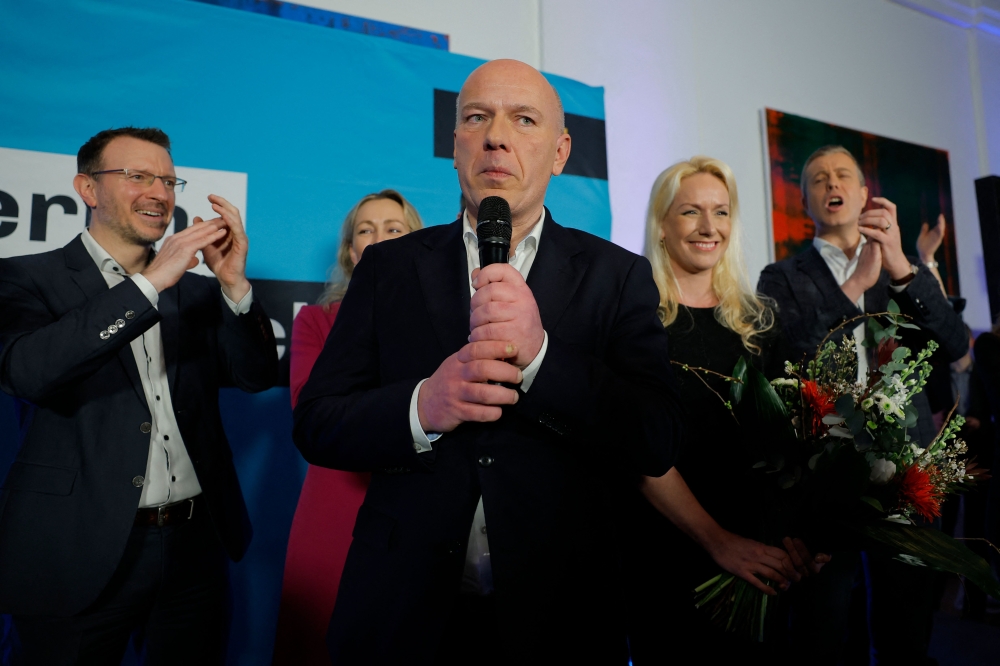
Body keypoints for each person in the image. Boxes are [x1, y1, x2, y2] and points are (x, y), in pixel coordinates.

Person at [293, 59, 683, 665]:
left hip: (561, 620)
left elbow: (653, 439)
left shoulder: (618, 275)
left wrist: (541, 357)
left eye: (523, 119)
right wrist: (423, 406)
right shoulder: (388, 268)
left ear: (560, 152)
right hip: (402, 613)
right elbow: (317, 423)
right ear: (455, 146)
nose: (496, 136)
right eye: (477, 118)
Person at [0, 127, 279, 663]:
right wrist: (149, 284)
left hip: (193, 548)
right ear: (88, 188)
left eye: (168, 181)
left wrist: (234, 286)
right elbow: (30, 373)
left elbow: (255, 376)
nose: (159, 192)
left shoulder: (199, 291)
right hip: (74, 550)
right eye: (137, 176)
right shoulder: (25, 277)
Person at [758, 145, 968, 665]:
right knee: (823, 629)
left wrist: (900, 267)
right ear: (806, 201)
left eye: (842, 176)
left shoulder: (901, 268)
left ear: (863, 194)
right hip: (822, 473)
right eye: (818, 178)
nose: (832, 183)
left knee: (906, 629)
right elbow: (790, 360)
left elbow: (954, 343)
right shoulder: (781, 276)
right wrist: (854, 286)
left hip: (906, 470)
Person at [621, 156, 828, 663]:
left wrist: (803, 536)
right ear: (662, 225)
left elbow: (797, 442)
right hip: (667, 558)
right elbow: (637, 453)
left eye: (721, 211)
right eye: (690, 211)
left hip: (762, 558)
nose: (708, 227)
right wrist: (718, 542)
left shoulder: (760, 321)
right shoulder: (634, 321)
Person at [272, 189, 423, 665]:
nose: (378, 239)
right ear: (351, 251)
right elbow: (313, 412)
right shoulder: (317, 321)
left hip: (419, 503)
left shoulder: (444, 321)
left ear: (416, 242)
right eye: (365, 230)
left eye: (394, 229)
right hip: (334, 505)